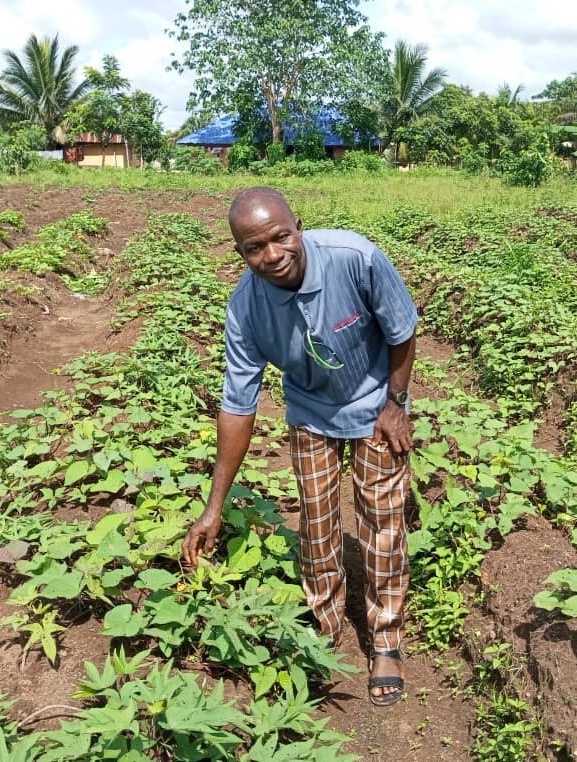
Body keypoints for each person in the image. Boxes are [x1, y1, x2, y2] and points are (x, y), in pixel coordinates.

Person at [182, 186, 417, 707]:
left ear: (299, 226)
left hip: (375, 399)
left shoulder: (355, 258)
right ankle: (326, 628)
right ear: (240, 253)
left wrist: (395, 404)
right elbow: (238, 406)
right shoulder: (246, 308)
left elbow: (401, 330)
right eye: (254, 248)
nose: (272, 255)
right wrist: (214, 506)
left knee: (381, 520)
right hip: (310, 411)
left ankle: (385, 638)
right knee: (317, 520)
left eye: (281, 237)